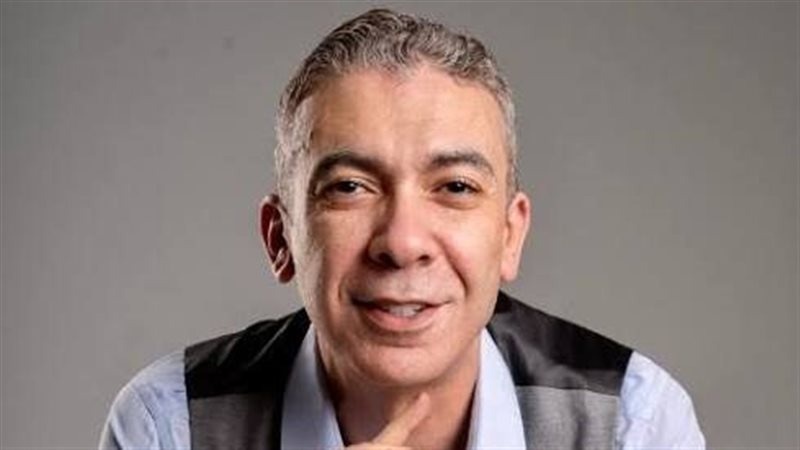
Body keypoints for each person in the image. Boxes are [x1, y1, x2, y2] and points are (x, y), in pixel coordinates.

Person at [99, 8, 705, 450]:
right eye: (350, 187)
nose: (403, 242)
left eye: (455, 187)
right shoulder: (170, 425)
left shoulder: (633, 423)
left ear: (510, 235)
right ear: (280, 238)